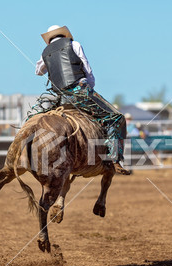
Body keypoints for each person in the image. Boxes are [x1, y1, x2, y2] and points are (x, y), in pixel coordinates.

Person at [35, 25, 129, 175]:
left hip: (60, 97)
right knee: (116, 118)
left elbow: (38, 71)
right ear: (64, 35)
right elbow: (87, 69)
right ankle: (114, 159)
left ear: (49, 40)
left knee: (36, 118)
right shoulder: (74, 44)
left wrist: (49, 60)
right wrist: (90, 87)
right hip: (79, 92)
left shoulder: (45, 53)